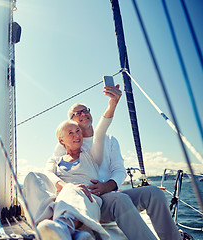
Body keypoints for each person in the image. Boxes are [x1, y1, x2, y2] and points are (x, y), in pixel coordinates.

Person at [24, 85, 183, 240]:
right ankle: (60, 224)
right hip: (84, 196)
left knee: (154, 193)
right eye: (77, 113)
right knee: (119, 200)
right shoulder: (66, 145)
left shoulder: (108, 140)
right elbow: (52, 170)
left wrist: (106, 186)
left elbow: (118, 169)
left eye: (86, 110)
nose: (83, 113)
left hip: (107, 194)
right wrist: (67, 187)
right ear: (70, 122)